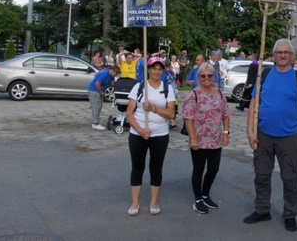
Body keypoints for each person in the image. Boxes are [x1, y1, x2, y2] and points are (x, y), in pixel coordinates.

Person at [244, 39, 297, 232]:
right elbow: (253, 104)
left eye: (286, 52)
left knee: (290, 177)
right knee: (262, 175)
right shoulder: (264, 75)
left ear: (292, 56)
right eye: (278, 52)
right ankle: (262, 210)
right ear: (273, 55)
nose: (282, 55)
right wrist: (250, 131)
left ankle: (290, 214)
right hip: (264, 135)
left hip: (289, 137)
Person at [125, 56, 176, 217]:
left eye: (160, 69)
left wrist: (153, 108)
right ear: (148, 69)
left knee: (156, 168)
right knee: (137, 168)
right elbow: (129, 114)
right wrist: (140, 130)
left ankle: (154, 202)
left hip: (160, 134)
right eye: (154, 68)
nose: (156, 71)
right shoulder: (139, 87)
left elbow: (171, 113)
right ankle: (135, 203)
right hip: (138, 134)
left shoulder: (168, 89)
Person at [183, 62, 231, 214]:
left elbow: (226, 114)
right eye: (203, 76)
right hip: (199, 139)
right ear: (199, 77)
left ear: (213, 76)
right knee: (198, 169)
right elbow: (188, 118)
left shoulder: (220, 93)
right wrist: (193, 138)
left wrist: (225, 133)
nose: (207, 78)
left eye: (210, 75)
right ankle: (198, 199)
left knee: (213, 169)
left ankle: (205, 193)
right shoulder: (193, 95)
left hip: (215, 139)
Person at [87, 65, 120, 130]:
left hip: (98, 90)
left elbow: (113, 83)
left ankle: (96, 121)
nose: (115, 75)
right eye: (115, 74)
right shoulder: (105, 73)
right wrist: (101, 92)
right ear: (112, 70)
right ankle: (95, 123)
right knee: (96, 107)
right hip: (94, 90)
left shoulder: (111, 76)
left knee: (99, 106)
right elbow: (97, 84)